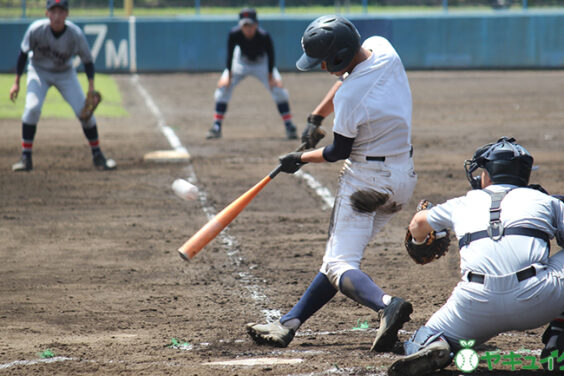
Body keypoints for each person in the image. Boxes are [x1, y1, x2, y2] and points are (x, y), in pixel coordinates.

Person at [245, 15, 417, 352]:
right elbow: (350, 77)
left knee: (340, 264)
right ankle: (288, 324)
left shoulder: (351, 99)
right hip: (402, 180)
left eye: (324, 60)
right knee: (339, 260)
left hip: (366, 185)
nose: (322, 66)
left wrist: (298, 159)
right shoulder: (383, 49)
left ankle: (386, 305)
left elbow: (338, 151)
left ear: (338, 55)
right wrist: (316, 116)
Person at [387, 137, 564, 376]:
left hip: (475, 304)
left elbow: (418, 224)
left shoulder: (463, 203)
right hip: (538, 300)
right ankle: (558, 343)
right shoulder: (545, 201)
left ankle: (434, 344)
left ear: (488, 175)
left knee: (428, 334)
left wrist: (420, 240)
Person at [9, 0, 116, 172]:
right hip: (39, 71)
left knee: (85, 112)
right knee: (32, 108)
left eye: (61, 11)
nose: (57, 16)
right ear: (47, 13)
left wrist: (90, 87)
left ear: (67, 14)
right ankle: (25, 157)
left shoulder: (75, 34)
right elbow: (22, 55)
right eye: (53, 11)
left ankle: (97, 155)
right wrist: (16, 83)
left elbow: (88, 61)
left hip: (65, 73)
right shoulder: (36, 30)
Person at [206, 8, 297, 140]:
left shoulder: (264, 36)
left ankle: (289, 126)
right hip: (240, 62)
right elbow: (230, 55)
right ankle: (216, 126)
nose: (248, 28)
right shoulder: (234, 34)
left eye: (250, 25)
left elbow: (271, 56)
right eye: (245, 25)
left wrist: (271, 77)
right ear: (240, 25)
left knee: (278, 90)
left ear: (256, 25)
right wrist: (228, 77)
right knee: (222, 89)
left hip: (262, 63)